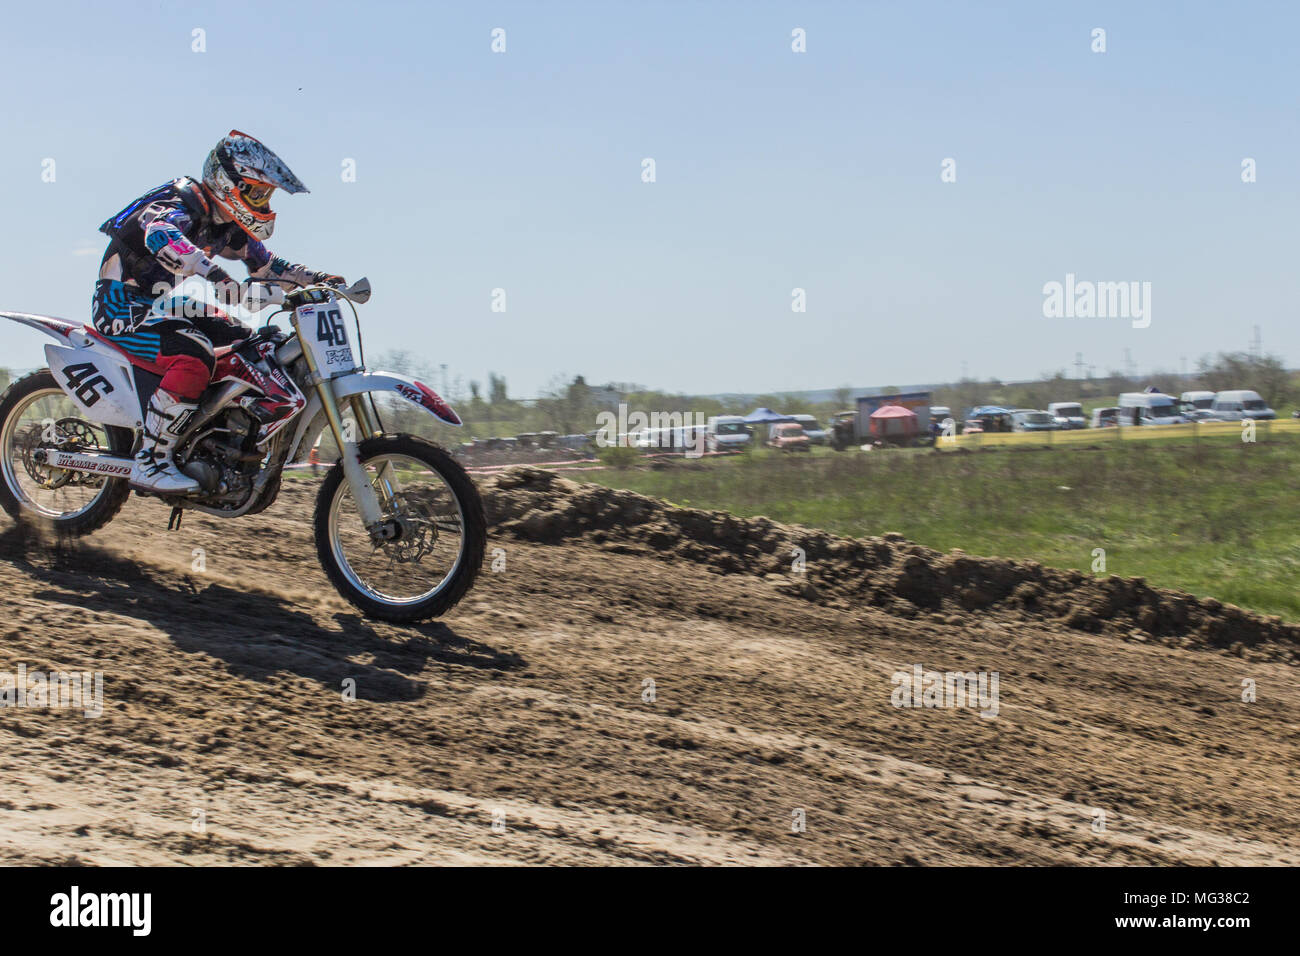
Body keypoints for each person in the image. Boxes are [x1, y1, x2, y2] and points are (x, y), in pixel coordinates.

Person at [94, 130, 344, 493]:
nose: (262, 200)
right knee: (193, 354)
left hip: (163, 305)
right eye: (256, 192)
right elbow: (160, 235)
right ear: (229, 182)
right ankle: (151, 459)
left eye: (266, 194)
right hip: (121, 306)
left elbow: (267, 266)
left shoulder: (227, 224)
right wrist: (213, 273)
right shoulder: (180, 199)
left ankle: (212, 441)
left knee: (248, 342)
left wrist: (318, 279)